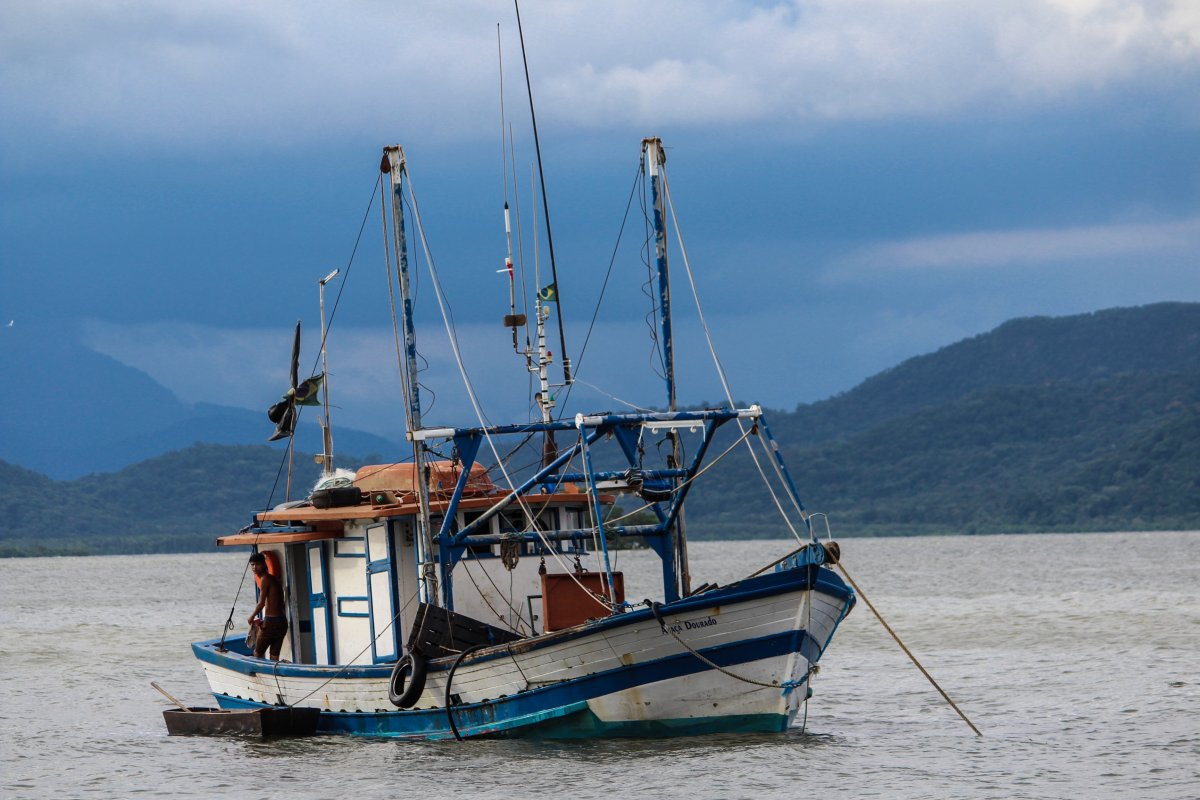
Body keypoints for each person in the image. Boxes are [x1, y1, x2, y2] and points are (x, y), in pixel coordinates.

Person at [247, 552, 287, 660]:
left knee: (257, 653)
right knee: (274, 656)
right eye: (252, 565)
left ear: (264, 565)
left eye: (257, 564)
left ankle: (258, 675)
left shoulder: (265, 579)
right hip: (282, 622)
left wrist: (252, 616)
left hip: (272, 622)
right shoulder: (273, 579)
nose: (254, 567)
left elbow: (261, 603)